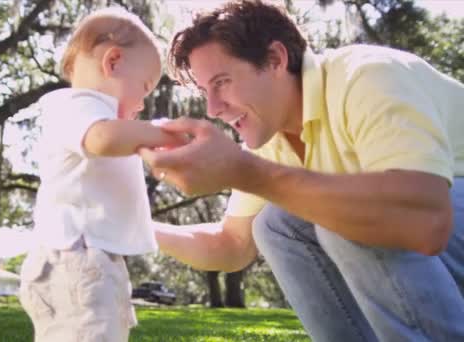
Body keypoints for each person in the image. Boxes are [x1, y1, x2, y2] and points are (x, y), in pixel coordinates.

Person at [142, 1, 464, 341]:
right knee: (276, 225)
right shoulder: (269, 137)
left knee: (342, 214)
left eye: (222, 82)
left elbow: (425, 220)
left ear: (276, 59)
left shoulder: (367, 77)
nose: (213, 108)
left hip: (441, 210)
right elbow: (232, 245)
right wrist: (129, 228)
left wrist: (246, 172)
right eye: (206, 91)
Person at [18, 8, 183, 342]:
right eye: (144, 88)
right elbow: (103, 139)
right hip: (77, 259)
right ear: (114, 62)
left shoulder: (94, 114)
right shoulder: (77, 105)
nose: (142, 105)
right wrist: (169, 134)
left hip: (86, 258)